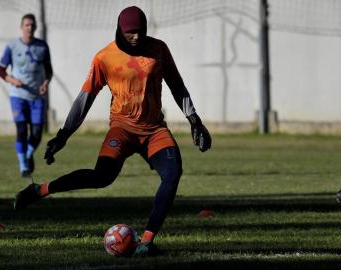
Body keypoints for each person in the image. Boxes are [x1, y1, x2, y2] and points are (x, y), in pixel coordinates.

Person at [14, 6, 211, 256]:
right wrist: (64, 134)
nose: (136, 37)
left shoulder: (158, 49)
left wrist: (194, 119)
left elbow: (177, 84)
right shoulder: (105, 57)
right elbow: (85, 98)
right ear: (120, 30)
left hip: (153, 130)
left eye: (140, 32)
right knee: (101, 177)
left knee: (173, 174)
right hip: (122, 129)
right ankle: (39, 190)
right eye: (130, 33)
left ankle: (146, 242)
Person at [0, 13, 53, 178]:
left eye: (32, 25)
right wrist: (11, 80)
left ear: (35, 28)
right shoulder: (12, 46)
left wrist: (45, 84)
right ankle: (23, 167)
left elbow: (49, 71)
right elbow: (1, 70)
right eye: (27, 25)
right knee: (21, 130)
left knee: (36, 134)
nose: (29, 28)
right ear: (21, 27)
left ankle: (28, 155)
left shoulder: (42, 47)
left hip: (36, 97)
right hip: (18, 96)